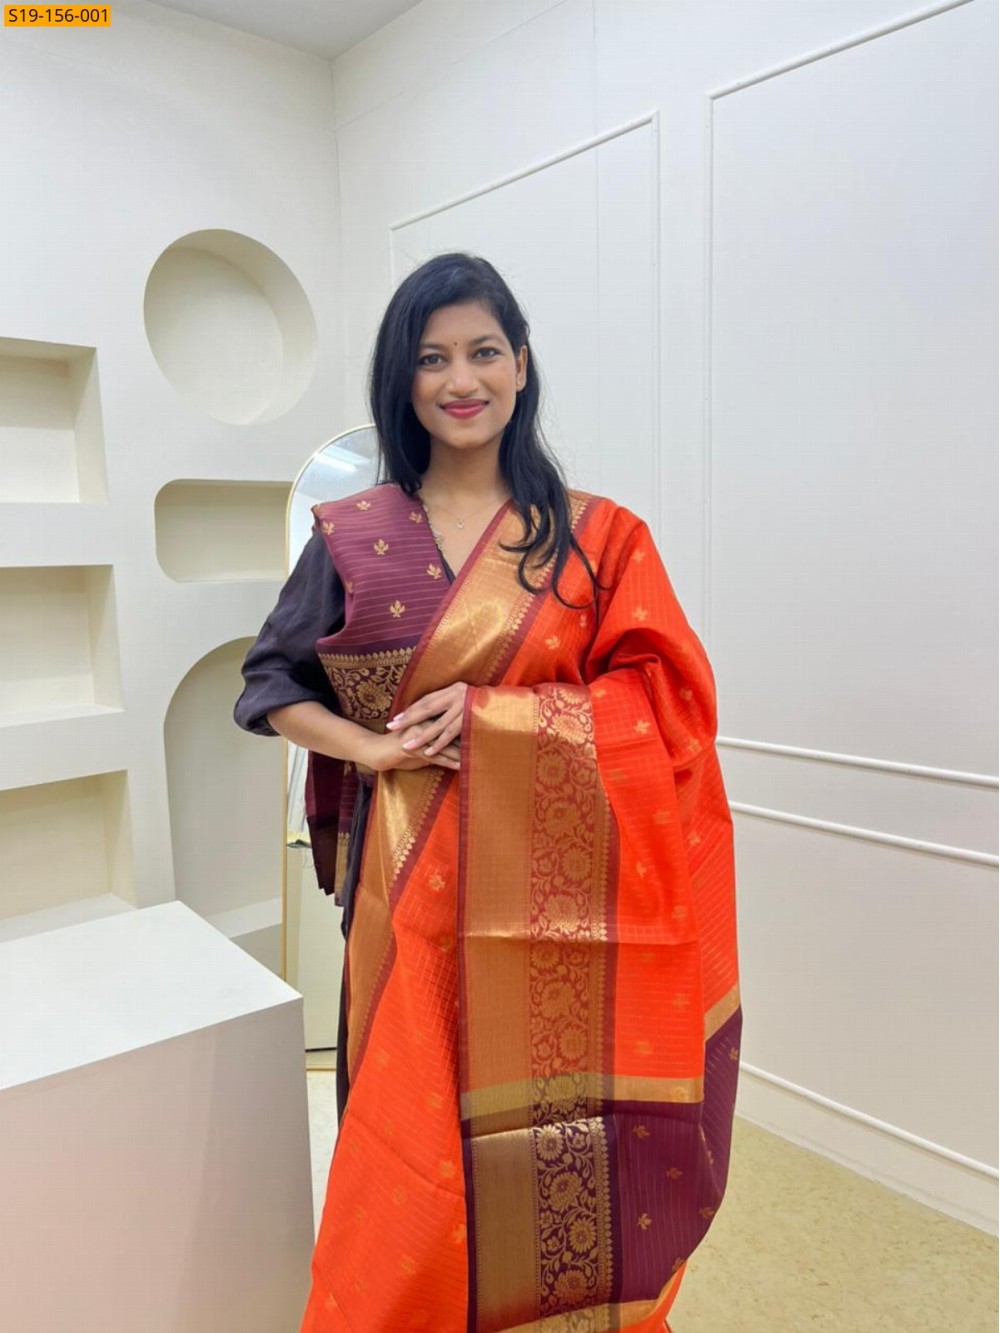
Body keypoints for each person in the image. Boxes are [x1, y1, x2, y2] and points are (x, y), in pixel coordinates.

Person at [234, 253, 740, 1333]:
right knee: (408, 1139)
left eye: (482, 352)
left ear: (521, 363)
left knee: (559, 1141)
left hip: (561, 910)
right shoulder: (356, 532)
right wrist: (372, 752)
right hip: (406, 891)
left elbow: (670, 709)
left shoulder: (598, 539)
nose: (460, 380)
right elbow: (271, 684)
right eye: (432, 358)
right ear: (402, 377)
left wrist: (498, 719)